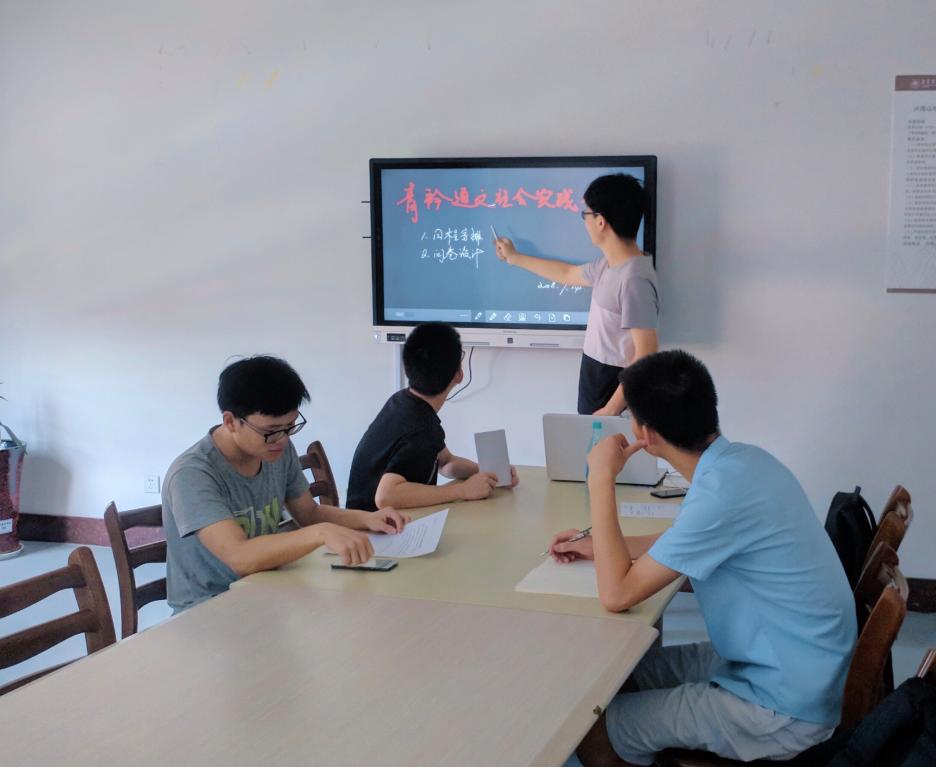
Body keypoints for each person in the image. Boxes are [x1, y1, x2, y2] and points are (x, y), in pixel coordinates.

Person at [548, 350, 856, 765]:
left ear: (644, 433)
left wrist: (601, 476)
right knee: (621, 675)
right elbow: (684, 539)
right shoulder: (744, 462)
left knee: (591, 730)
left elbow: (617, 594)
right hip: (792, 660)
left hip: (782, 705)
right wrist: (600, 545)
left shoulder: (719, 494)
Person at [162, 355, 409, 613]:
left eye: (290, 427)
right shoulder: (192, 474)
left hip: (267, 589)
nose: (282, 439)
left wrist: (368, 519)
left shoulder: (275, 450)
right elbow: (240, 557)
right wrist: (322, 533)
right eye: (271, 431)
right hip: (209, 608)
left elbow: (309, 513)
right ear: (230, 421)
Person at [494, 173, 659, 415]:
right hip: (597, 378)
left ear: (601, 222)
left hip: (612, 389)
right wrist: (514, 257)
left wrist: (610, 410)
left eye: (586, 214)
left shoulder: (634, 279)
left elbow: (647, 352)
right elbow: (567, 273)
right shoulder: (609, 265)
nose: (584, 221)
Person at [346, 322, 517, 511]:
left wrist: (487, 473)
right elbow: (386, 496)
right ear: (458, 374)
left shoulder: (402, 401)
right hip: (370, 526)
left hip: (362, 519)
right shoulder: (422, 428)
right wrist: (462, 491)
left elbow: (446, 463)